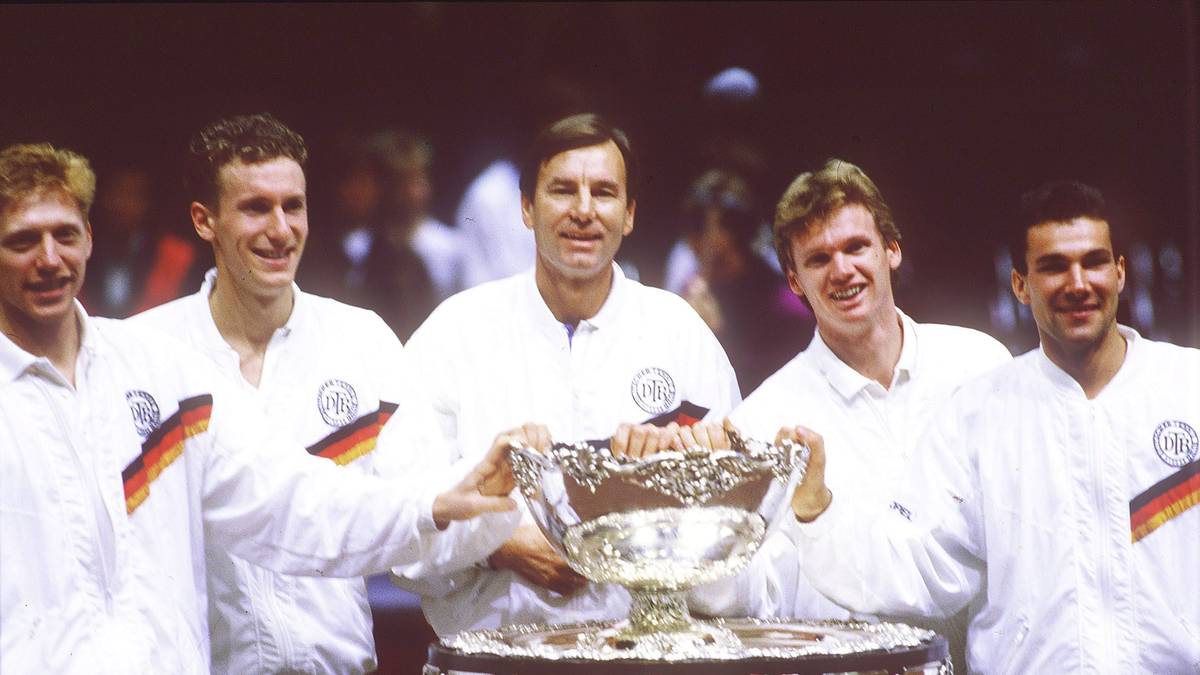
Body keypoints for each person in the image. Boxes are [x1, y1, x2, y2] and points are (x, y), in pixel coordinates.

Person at [0, 142, 521, 673]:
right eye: (22, 241)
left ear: (88, 239)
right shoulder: (164, 349)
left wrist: (435, 499)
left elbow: (289, 502)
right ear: (205, 221)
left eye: (64, 235)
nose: (49, 259)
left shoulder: (156, 369)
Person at [784, 180, 1200, 673]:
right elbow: (915, 568)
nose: (1078, 283)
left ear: (1120, 272)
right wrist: (817, 514)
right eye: (1052, 267)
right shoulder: (978, 414)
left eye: (1093, 261)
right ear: (1020, 285)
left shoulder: (1187, 387)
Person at [392, 113, 741, 637]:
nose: (583, 211)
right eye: (562, 190)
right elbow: (398, 519)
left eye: (603, 192)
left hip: (648, 657)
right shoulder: (455, 334)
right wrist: (495, 547)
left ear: (629, 214)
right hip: (496, 660)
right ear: (527, 209)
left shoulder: (679, 334)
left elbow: (735, 526)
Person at [129, 114, 454, 674]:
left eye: (293, 206)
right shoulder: (144, 355)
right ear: (204, 220)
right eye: (256, 207)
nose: (280, 229)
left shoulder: (361, 340)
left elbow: (425, 513)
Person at [687, 159, 1010, 672]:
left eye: (856, 247)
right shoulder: (764, 420)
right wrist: (707, 523)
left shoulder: (982, 366)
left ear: (892, 249)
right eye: (819, 258)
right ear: (794, 280)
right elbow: (756, 598)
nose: (842, 270)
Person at [678, 168, 815, 392]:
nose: (691, 242)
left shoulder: (787, 305)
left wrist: (717, 337)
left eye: (698, 228)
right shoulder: (697, 289)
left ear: (732, 232)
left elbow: (773, 388)